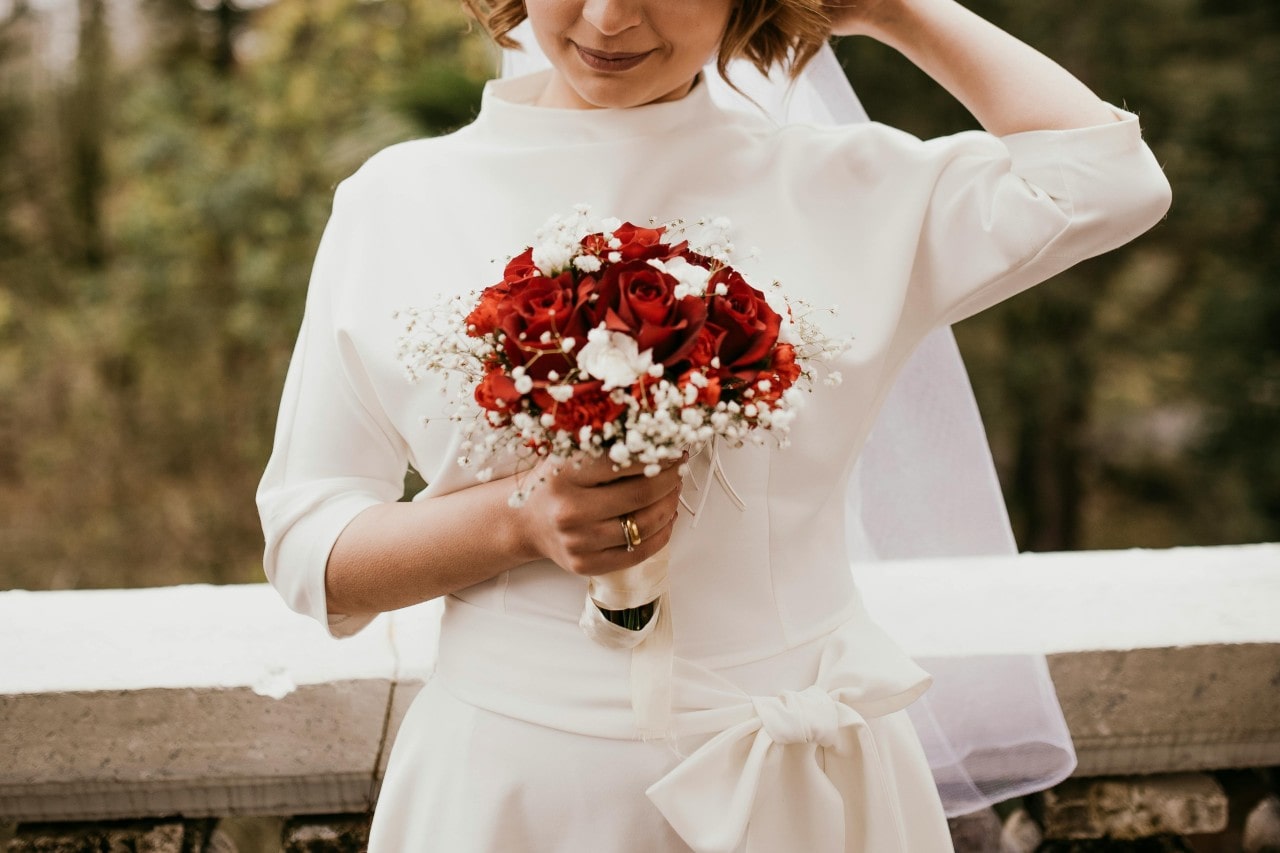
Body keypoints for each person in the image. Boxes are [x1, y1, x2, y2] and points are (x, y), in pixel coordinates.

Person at [257, 0, 1171, 849]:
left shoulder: (844, 183)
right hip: (514, 791)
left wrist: (886, 6)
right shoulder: (398, 201)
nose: (609, 17)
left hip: (805, 786)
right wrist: (516, 519)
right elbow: (310, 550)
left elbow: (1109, 180)